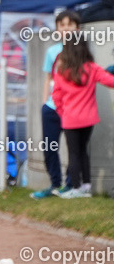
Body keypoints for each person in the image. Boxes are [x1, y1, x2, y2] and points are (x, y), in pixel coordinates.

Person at [51, 31, 114, 198]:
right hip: (89, 120)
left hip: (70, 120)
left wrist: (61, 112)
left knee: (74, 154)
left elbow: (56, 95)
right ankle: (86, 186)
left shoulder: (62, 70)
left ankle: (76, 188)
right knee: (83, 152)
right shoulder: (92, 68)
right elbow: (110, 81)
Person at [32, 11, 80, 199]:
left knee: (74, 149)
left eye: (70, 25)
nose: (66, 29)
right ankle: (54, 184)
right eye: (62, 25)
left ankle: (70, 184)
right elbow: (48, 78)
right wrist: (45, 102)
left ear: (77, 28)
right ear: (57, 29)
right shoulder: (52, 51)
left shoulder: (82, 51)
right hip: (52, 108)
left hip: (73, 109)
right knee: (50, 146)